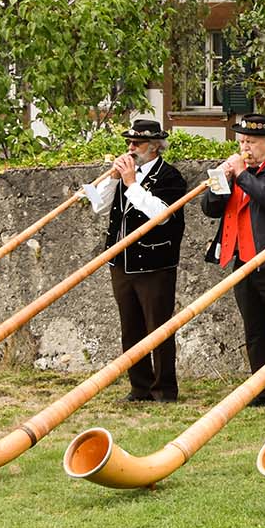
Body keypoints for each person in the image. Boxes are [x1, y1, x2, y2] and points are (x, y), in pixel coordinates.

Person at [202, 111, 265, 407]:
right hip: (243, 260)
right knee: (255, 330)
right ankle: (262, 390)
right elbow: (209, 208)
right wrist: (221, 180)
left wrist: (242, 176)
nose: (244, 147)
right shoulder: (236, 171)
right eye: (242, 141)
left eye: (250, 142)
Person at [78, 117, 188, 402]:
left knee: (158, 330)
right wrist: (115, 180)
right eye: (128, 142)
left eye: (136, 143)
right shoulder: (124, 175)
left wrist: (131, 183)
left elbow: (161, 215)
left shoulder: (170, 177)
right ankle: (139, 387)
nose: (130, 148)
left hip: (155, 263)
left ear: (154, 146)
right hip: (121, 262)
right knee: (130, 329)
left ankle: (164, 390)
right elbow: (99, 207)